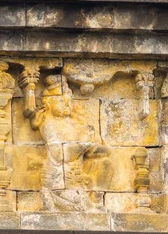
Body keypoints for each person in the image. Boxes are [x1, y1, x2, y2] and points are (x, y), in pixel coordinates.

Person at [31, 75, 111, 211]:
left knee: (105, 164)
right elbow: (60, 154)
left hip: (76, 178)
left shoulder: (74, 124)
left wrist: (90, 141)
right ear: (48, 103)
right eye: (62, 101)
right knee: (78, 206)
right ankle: (50, 196)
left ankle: (91, 199)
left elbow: (101, 151)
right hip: (58, 179)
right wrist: (83, 145)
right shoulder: (48, 123)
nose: (68, 105)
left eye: (69, 101)